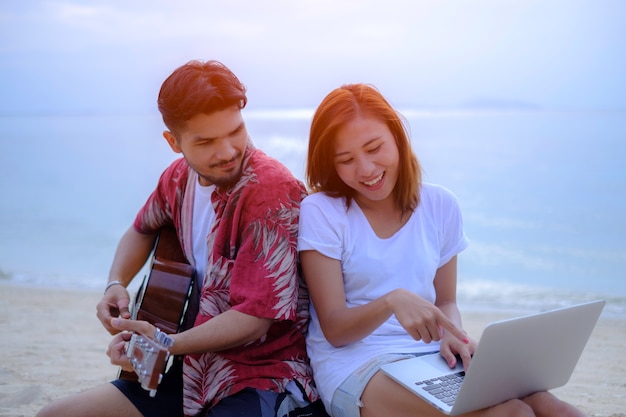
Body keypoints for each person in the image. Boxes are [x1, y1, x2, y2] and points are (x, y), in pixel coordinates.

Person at [37, 60, 326, 417]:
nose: (227, 151)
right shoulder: (177, 179)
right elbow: (141, 229)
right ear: (173, 142)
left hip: (262, 376)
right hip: (185, 368)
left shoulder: (269, 193)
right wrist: (116, 283)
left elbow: (254, 318)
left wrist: (163, 344)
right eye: (206, 141)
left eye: (235, 131)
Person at [297, 83, 589, 417]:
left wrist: (454, 334)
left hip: (431, 357)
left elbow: (446, 301)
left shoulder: (440, 205)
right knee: (513, 414)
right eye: (346, 160)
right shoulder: (322, 211)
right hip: (356, 365)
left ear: (397, 137)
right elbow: (334, 329)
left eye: (374, 148)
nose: (365, 169)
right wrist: (392, 300)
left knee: (550, 406)